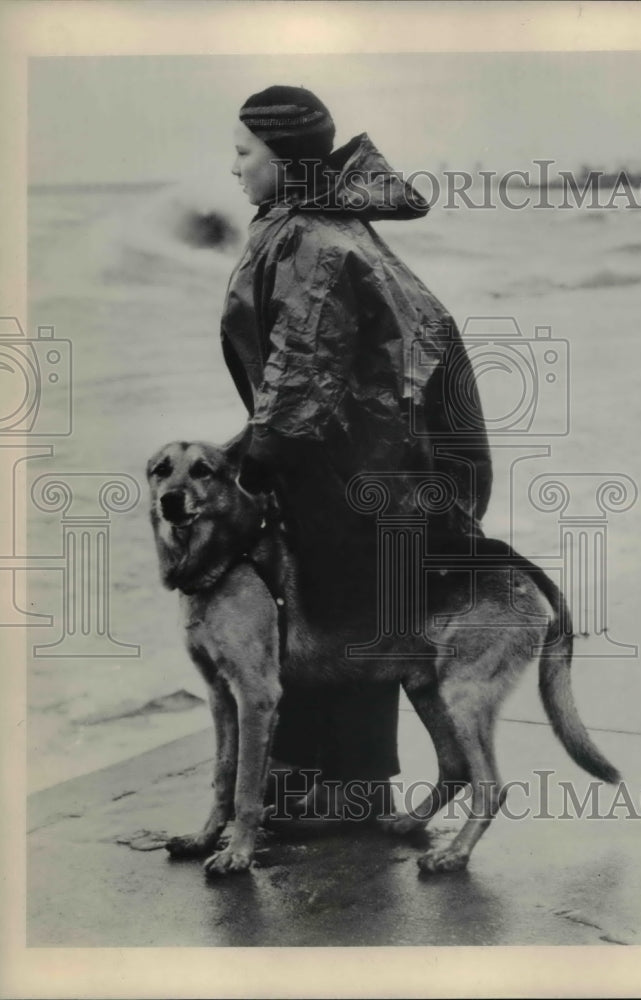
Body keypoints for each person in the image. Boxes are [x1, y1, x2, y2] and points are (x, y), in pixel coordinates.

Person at [220, 85, 492, 822]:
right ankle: (322, 773)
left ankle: (355, 788)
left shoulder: (314, 237)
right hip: (381, 448)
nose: (233, 168)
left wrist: (253, 455)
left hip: (391, 461)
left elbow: (302, 359)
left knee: (350, 601)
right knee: (336, 594)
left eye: (244, 153)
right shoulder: (312, 221)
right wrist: (257, 444)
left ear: (285, 160)